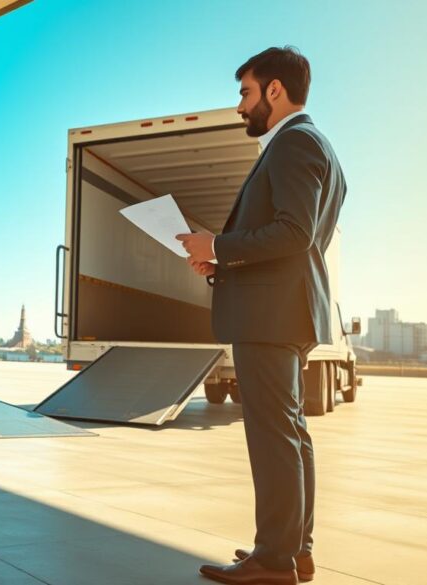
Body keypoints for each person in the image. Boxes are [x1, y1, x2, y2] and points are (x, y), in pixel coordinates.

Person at [176, 46, 347, 585]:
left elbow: (294, 234)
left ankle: (273, 560)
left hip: (271, 317)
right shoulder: (317, 148)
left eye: (245, 92)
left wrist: (219, 245)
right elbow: (292, 242)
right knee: (291, 434)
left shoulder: (294, 144)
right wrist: (219, 263)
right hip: (283, 309)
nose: (240, 106)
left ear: (275, 91)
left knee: (275, 436)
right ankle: (294, 550)